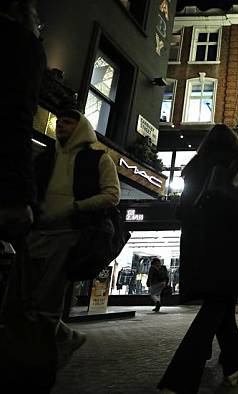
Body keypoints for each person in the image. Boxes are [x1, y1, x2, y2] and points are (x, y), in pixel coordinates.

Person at [157, 124, 238, 391]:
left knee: (220, 303)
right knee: (216, 307)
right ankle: (179, 378)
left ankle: (234, 365)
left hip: (199, 247)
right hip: (233, 245)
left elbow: (181, 211)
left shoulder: (193, 167)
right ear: (235, 142)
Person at [26, 109, 120, 370]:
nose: (61, 127)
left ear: (81, 128)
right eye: (59, 122)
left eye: (68, 123)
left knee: (46, 301)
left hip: (68, 236)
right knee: (21, 300)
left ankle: (39, 365)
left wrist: (74, 208)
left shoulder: (99, 159)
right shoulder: (46, 157)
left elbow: (112, 195)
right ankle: (65, 338)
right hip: (35, 235)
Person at [0, 1, 49, 388]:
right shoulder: (20, 45)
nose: (41, 25)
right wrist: (20, 195)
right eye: (37, 19)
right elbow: (15, 119)